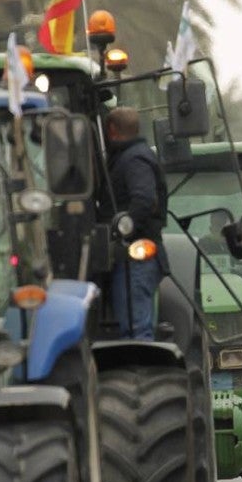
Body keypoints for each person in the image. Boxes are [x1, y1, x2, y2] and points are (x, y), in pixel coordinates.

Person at [107, 106, 168, 340]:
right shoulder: (133, 156)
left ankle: (137, 371)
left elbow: (143, 199)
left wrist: (123, 227)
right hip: (132, 257)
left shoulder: (134, 159)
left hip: (135, 257)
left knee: (136, 331)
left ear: (111, 130)